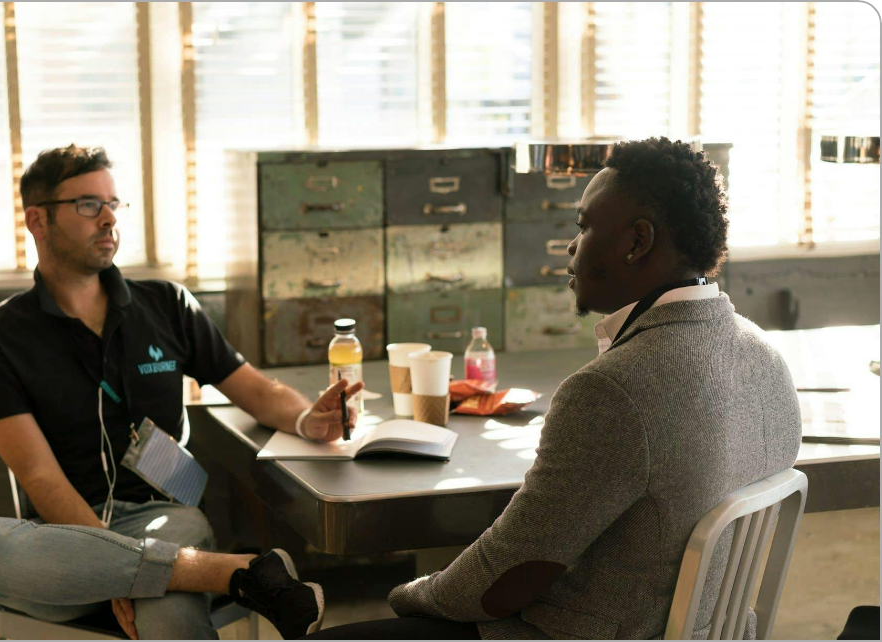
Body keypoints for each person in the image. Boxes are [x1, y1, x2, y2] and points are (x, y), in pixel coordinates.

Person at [304, 137, 802, 640]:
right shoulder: (766, 357)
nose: (571, 245)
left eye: (584, 226)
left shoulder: (612, 390)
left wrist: (409, 596)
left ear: (636, 242)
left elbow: (505, 578)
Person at [0, 144, 362, 640]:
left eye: (113, 204)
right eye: (87, 204)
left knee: (166, 610)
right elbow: (40, 478)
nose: (107, 218)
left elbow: (255, 389)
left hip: (166, 519)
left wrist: (306, 420)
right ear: (37, 221)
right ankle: (238, 573)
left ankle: (181, 573)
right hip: (62, 546)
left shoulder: (166, 304)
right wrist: (113, 567)